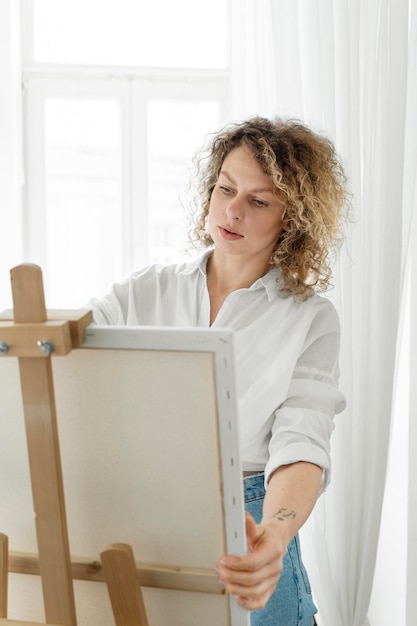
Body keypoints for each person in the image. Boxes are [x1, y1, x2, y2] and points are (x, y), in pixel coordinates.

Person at [89, 116, 348, 625]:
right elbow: (63, 363)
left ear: (290, 220)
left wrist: (272, 535)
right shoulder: (144, 292)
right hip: (148, 529)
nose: (232, 210)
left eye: (259, 200)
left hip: (251, 528)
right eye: (226, 188)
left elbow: (302, 444)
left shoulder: (310, 318)